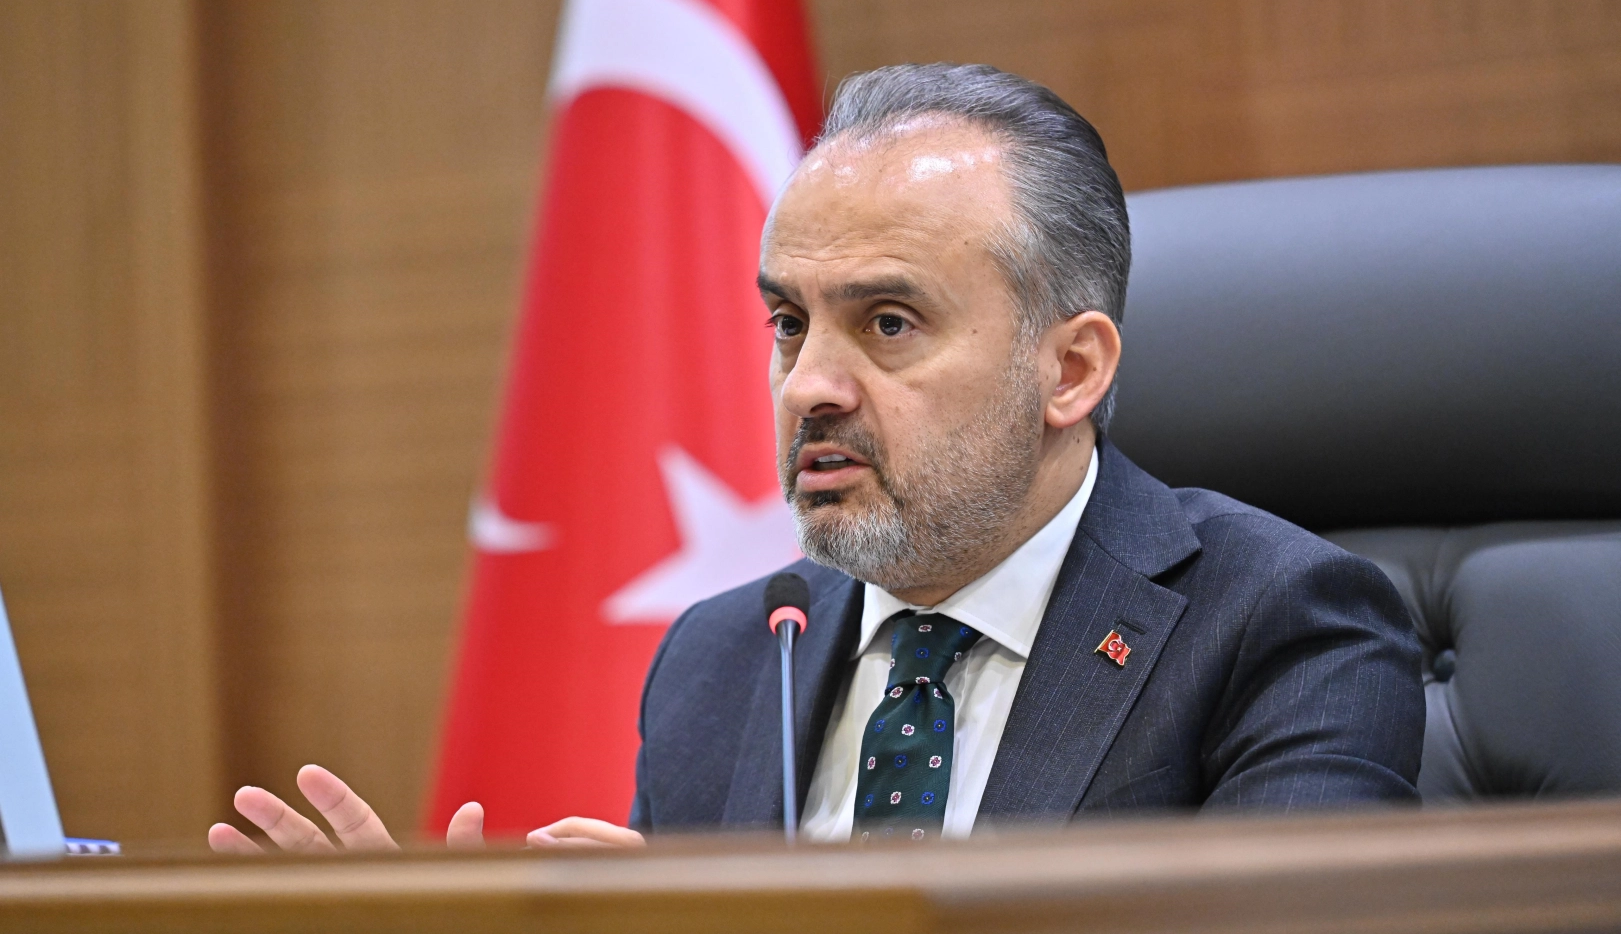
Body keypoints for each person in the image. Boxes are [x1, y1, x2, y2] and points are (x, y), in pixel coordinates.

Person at [209, 63, 1424, 855]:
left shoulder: (1281, 624)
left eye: (887, 323)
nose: (808, 387)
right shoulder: (725, 658)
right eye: (789, 323)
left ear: (1069, 370)